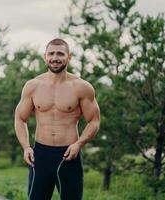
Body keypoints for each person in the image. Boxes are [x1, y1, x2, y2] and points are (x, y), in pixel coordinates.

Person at [14, 38, 100, 200]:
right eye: (51, 53)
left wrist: (79, 144)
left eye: (60, 53)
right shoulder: (33, 86)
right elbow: (20, 118)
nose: (55, 58)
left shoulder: (81, 87)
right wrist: (26, 146)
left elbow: (94, 121)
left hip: (69, 155)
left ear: (69, 57)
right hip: (40, 155)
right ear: (45, 56)